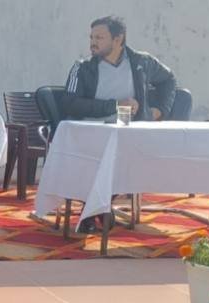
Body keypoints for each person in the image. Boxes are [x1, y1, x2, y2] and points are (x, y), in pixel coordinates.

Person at [65, 15, 177, 233]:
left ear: (118, 39)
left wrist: (160, 110)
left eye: (99, 37)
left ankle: (93, 208)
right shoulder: (82, 67)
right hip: (92, 132)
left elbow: (169, 80)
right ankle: (97, 208)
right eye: (91, 37)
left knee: (131, 158)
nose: (93, 42)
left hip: (129, 132)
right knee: (106, 158)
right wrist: (114, 105)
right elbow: (70, 104)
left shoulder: (142, 63)